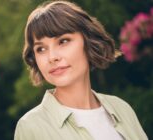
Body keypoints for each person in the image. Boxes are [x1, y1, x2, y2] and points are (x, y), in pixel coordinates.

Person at [14, 1, 148, 140]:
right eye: (41, 49)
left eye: (63, 41)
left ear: (87, 41)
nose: (52, 57)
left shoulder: (122, 109)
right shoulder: (31, 127)